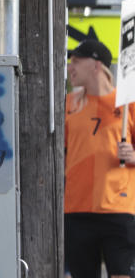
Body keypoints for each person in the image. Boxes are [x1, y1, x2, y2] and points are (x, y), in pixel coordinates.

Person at [64, 39, 135, 278]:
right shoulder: (68, 105)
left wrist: (134, 156)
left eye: (75, 61)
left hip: (119, 208)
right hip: (77, 210)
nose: (69, 67)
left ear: (95, 65)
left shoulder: (128, 105)